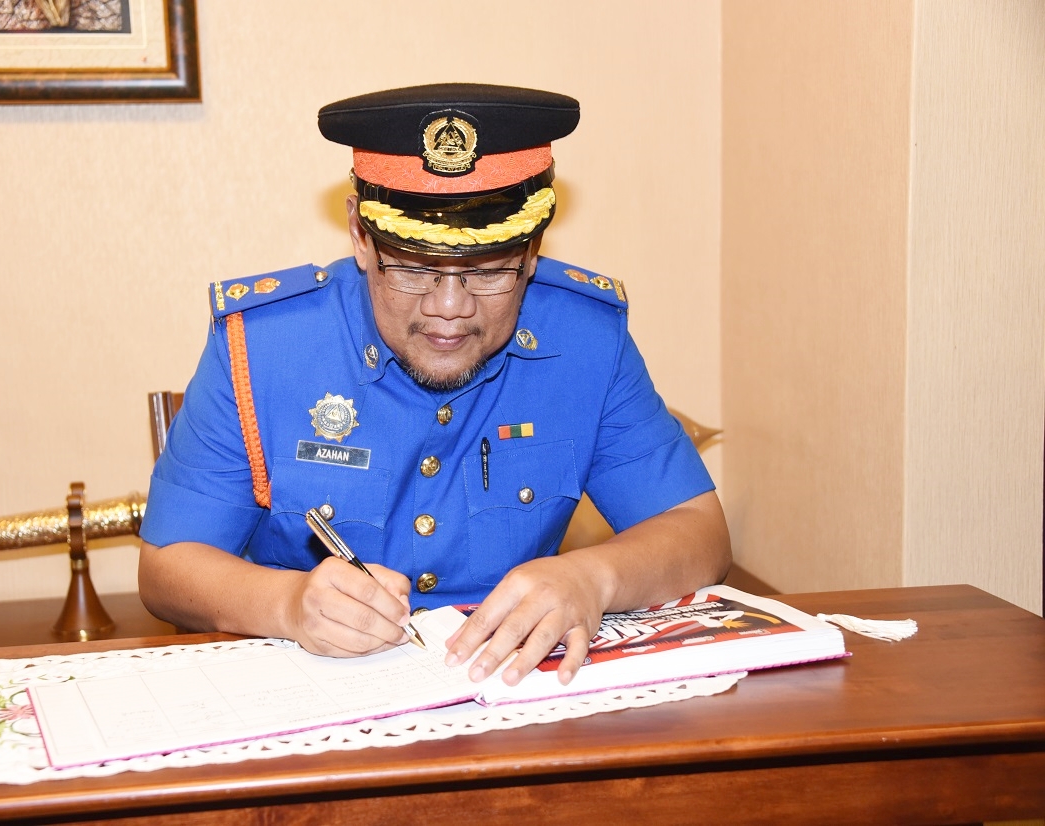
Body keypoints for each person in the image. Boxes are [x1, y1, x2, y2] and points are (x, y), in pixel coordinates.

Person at [138, 83, 731, 687]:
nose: (450, 307)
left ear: (532, 252)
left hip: (515, 693)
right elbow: (166, 567)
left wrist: (592, 578)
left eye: (488, 271)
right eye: (415, 268)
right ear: (361, 236)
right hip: (312, 691)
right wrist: (287, 605)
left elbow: (699, 530)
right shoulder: (262, 346)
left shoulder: (586, 340)